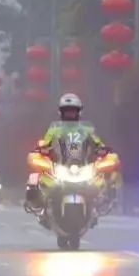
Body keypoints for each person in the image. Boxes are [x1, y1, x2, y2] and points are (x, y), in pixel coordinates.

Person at [29, 94, 112, 227]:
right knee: (42, 180)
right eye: (67, 111)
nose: (70, 114)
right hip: (60, 166)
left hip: (82, 167)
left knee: (99, 182)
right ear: (61, 112)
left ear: (79, 112)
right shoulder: (54, 129)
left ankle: (97, 208)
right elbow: (45, 142)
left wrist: (102, 149)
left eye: (73, 111)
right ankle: (42, 208)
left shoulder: (87, 129)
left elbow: (98, 142)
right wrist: (42, 148)